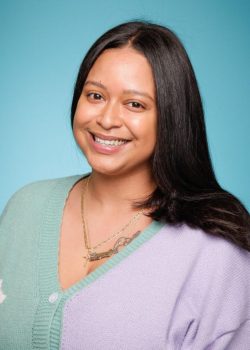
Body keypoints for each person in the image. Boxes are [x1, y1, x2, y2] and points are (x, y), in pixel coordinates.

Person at [0, 20, 249, 350]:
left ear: (171, 117)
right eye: (95, 95)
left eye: (135, 104)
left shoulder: (218, 257)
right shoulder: (24, 207)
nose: (106, 119)